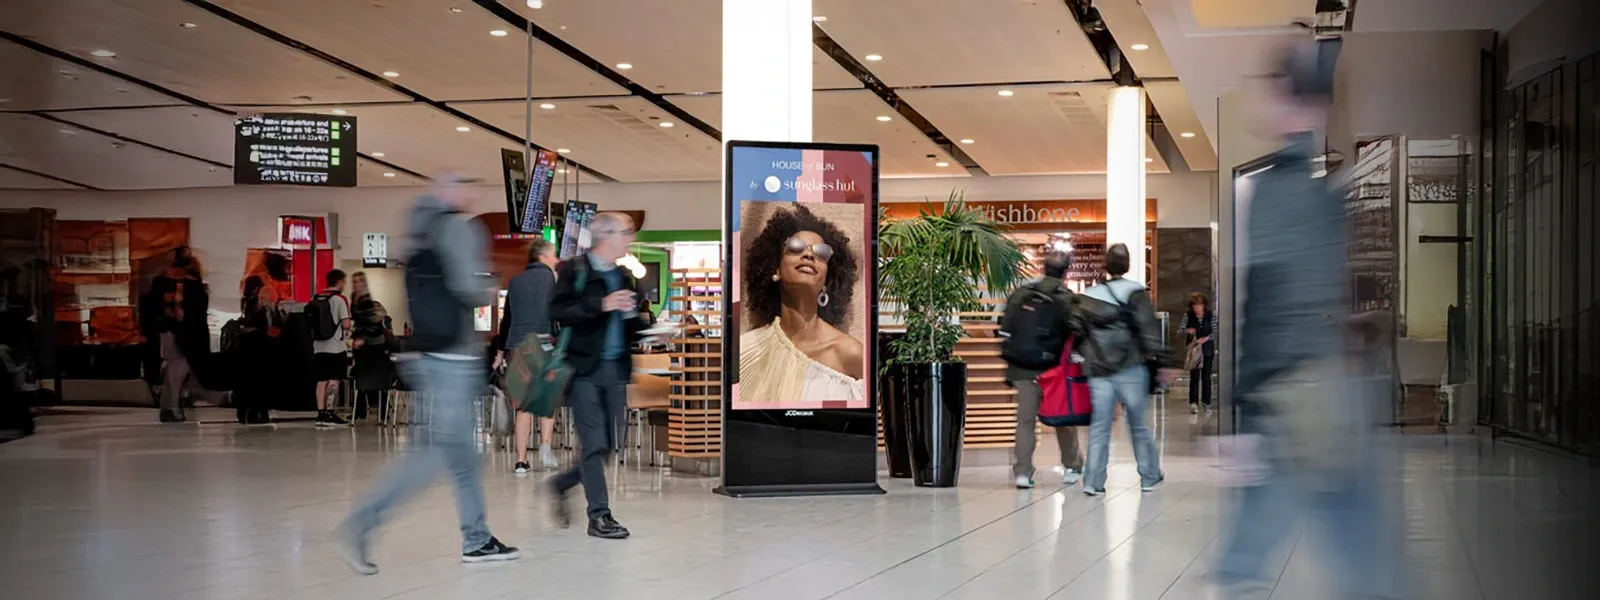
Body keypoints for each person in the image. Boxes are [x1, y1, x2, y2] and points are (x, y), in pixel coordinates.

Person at [1213, 38, 1401, 599]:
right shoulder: (1323, 194)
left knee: (1258, 548)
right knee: (1353, 535)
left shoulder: (1278, 190)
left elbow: (1270, 304)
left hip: (1292, 397)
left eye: (1274, 90)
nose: (1263, 102)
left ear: (1298, 104)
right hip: (1328, 391)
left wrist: (1241, 416)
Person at [334, 175, 520, 574]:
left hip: (429, 355)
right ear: (450, 193)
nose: (471, 195)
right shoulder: (456, 227)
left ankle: (477, 538)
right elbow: (469, 288)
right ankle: (362, 523)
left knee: (464, 456)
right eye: (466, 188)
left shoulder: (418, 229)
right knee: (433, 454)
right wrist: (488, 283)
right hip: (453, 357)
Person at [548, 212, 652, 540]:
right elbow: (557, 312)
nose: (630, 239)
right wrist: (600, 304)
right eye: (626, 233)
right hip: (584, 370)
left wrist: (651, 332)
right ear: (605, 235)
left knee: (608, 444)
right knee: (593, 443)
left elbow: (630, 323)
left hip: (617, 370)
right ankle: (600, 516)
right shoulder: (575, 271)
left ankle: (562, 483)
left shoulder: (623, 275)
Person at [1069, 243, 1176, 495]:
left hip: (1098, 371)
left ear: (1106, 265)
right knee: (1138, 425)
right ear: (1127, 265)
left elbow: (1076, 331)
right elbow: (1149, 332)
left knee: (1099, 427)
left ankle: (1093, 482)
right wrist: (1163, 362)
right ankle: (1149, 476)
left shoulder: (1088, 296)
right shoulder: (1136, 293)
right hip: (1131, 368)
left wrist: (1086, 354)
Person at [737, 204, 864, 403]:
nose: (808, 255)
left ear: (827, 277)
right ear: (775, 269)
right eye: (795, 247)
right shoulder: (745, 351)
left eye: (821, 252)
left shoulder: (851, 353)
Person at [1000, 252, 1084, 489]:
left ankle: (1023, 472)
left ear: (1044, 267)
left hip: (1022, 368)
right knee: (1063, 418)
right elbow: (1077, 333)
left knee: (1025, 421)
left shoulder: (1021, 294)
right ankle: (1071, 466)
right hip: (1055, 371)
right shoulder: (1068, 298)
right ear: (1065, 271)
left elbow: (1005, 329)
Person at [492, 238, 561, 473]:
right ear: (543, 257)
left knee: (522, 407)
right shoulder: (552, 279)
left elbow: (507, 319)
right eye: (553, 255)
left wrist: (500, 352)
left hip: (517, 348)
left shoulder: (515, 282)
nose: (557, 259)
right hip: (544, 346)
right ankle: (545, 446)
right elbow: (558, 316)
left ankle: (521, 461)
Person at [148, 247, 213, 424]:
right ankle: (172, 406)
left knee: (175, 368)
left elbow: (154, 309)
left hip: (171, 331)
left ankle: (171, 406)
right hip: (186, 332)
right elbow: (197, 312)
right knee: (179, 368)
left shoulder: (161, 283)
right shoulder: (192, 285)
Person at [349, 272, 395, 422]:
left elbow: (375, 325)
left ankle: (382, 412)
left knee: (379, 379)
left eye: (359, 282)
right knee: (361, 377)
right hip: (362, 345)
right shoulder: (354, 300)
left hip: (375, 345)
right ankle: (359, 410)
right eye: (354, 281)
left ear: (364, 283)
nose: (356, 284)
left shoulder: (367, 302)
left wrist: (363, 338)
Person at [312, 269, 352, 427]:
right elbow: (346, 324)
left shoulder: (316, 297)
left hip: (318, 346)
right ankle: (330, 412)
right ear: (340, 282)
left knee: (321, 380)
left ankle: (320, 414)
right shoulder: (340, 300)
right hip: (335, 347)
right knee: (334, 379)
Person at [1180, 292, 1218, 415]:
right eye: (1195, 306)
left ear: (1204, 305)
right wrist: (1187, 331)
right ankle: (1193, 403)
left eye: (1199, 306)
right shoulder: (1188, 315)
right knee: (1194, 377)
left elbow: (1215, 331)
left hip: (1207, 349)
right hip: (1194, 350)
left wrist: (1206, 338)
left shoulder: (1210, 315)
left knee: (1206, 377)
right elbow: (1180, 330)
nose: (1197, 309)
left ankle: (1206, 402)